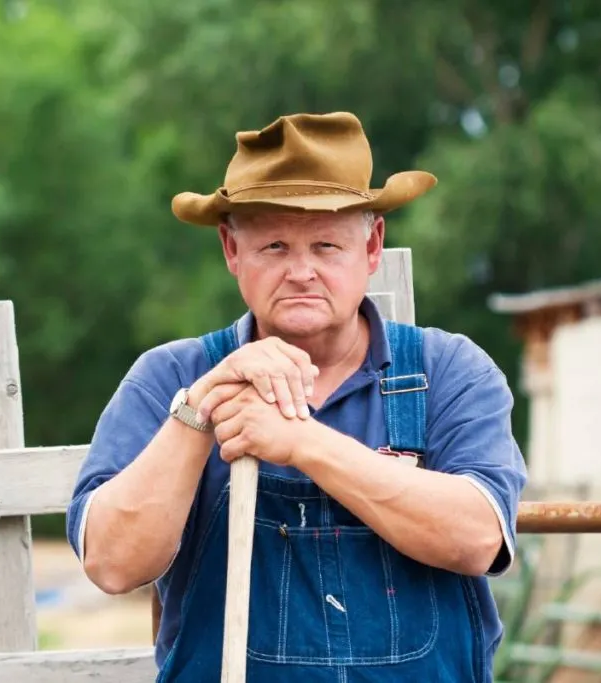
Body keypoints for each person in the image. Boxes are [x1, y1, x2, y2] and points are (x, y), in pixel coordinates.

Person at [65, 111, 527, 682]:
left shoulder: (447, 371)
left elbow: (477, 538)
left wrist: (301, 442)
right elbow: (112, 564)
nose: (302, 271)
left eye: (327, 245)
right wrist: (200, 410)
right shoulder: (169, 378)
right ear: (232, 250)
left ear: (372, 245)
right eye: (275, 246)